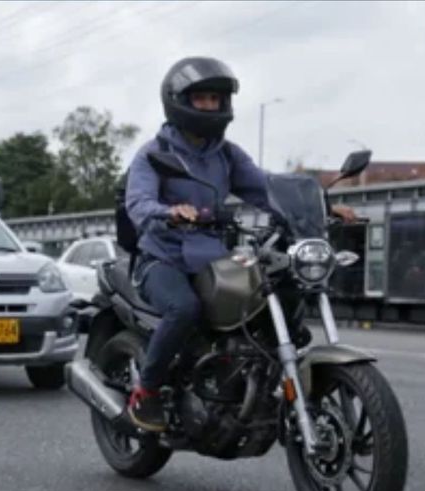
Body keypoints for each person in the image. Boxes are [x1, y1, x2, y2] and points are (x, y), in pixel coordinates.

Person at [122, 56, 355, 432]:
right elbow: (138, 202)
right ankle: (146, 393)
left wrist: (321, 205)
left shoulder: (226, 154)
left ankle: (249, 379)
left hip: (213, 258)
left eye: (216, 99)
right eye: (202, 99)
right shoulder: (154, 154)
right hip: (162, 258)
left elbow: (267, 189)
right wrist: (169, 212)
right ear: (179, 100)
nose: (211, 106)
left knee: (265, 296)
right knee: (183, 309)